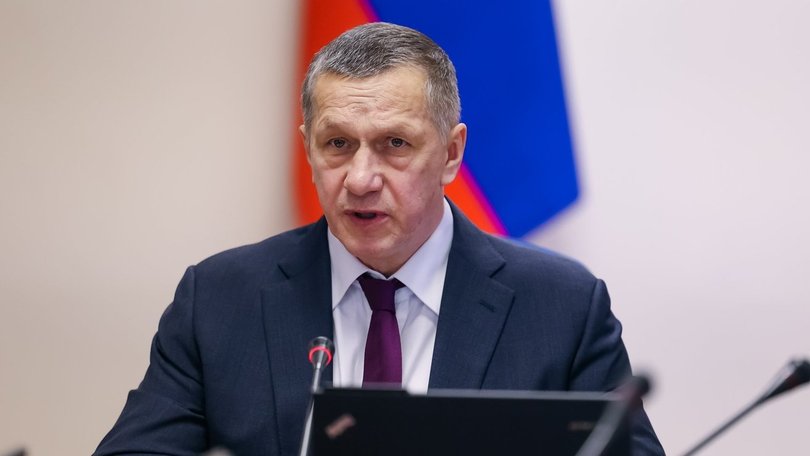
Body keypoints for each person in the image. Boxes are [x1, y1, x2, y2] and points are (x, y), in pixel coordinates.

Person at [95, 22, 664, 455]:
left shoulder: (560, 306)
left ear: (451, 153)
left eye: (395, 144)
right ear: (308, 147)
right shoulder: (220, 299)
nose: (361, 179)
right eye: (337, 144)